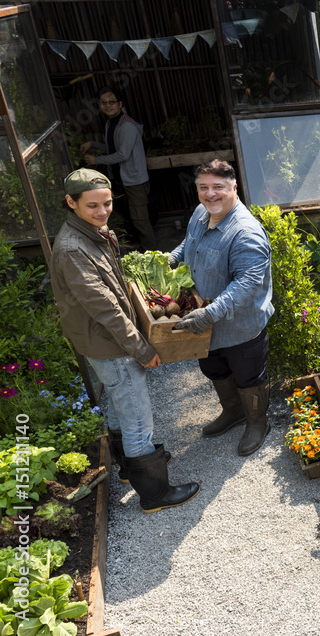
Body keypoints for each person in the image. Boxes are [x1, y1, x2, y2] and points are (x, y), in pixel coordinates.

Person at [50, 168, 199, 513]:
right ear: (71, 203)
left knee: (119, 407)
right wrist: (142, 349)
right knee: (137, 418)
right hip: (110, 344)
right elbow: (107, 311)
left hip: (100, 342)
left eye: (107, 204)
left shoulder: (92, 232)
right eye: (93, 206)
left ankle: (132, 470)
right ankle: (156, 495)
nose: (103, 212)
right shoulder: (73, 249)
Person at [170, 160, 274, 455]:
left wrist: (209, 314)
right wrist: (170, 260)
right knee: (214, 368)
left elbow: (246, 285)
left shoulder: (245, 233)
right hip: (205, 323)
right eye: (203, 187)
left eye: (218, 187)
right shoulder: (201, 213)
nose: (210, 194)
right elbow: (189, 244)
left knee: (248, 378)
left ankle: (257, 422)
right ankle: (233, 412)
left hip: (240, 327)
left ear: (233, 188)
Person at [80, 87, 157, 252]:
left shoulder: (127, 125)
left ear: (120, 104)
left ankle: (153, 254)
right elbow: (112, 148)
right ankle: (142, 248)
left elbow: (122, 154)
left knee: (140, 220)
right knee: (131, 217)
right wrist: (92, 144)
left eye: (112, 102)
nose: (108, 106)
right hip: (121, 179)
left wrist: (96, 160)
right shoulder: (111, 123)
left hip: (135, 180)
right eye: (103, 102)